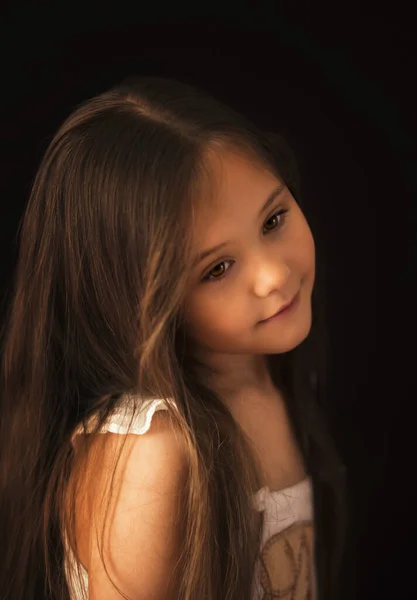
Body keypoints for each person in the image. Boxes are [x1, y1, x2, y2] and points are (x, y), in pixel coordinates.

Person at [0, 75, 348, 600]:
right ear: (142, 299)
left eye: (274, 218)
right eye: (218, 268)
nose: (273, 275)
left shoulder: (269, 370)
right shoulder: (154, 453)